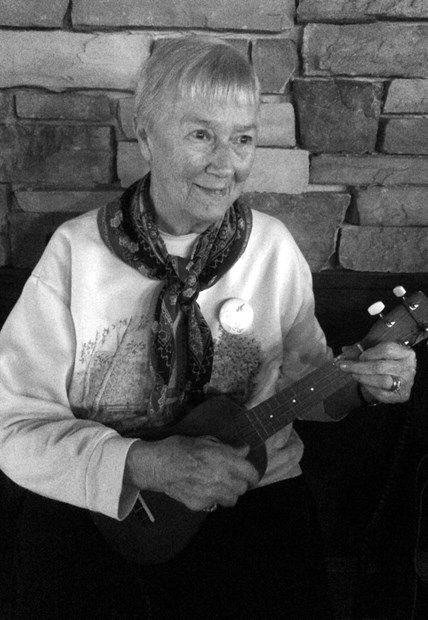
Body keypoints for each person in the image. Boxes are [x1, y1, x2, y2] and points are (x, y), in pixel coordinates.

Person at [0, 37, 416, 619]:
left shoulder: (272, 248)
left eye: (243, 139)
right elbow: (12, 426)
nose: (227, 164)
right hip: (103, 503)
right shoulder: (75, 252)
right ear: (146, 136)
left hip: (252, 496)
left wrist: (369, 382)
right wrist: (144, 464)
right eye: (201, 135)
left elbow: (311, 384)